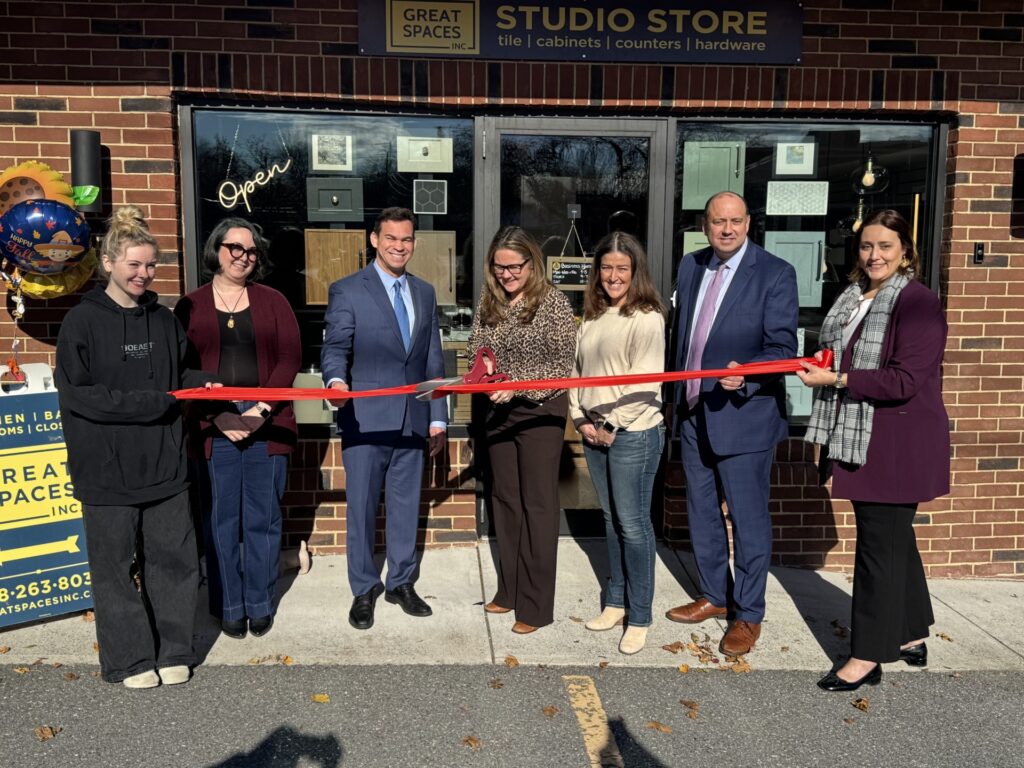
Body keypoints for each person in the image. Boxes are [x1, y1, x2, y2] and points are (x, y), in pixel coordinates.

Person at [55, 206, 215, 689]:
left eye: (151, 266)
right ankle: (129, 659)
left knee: (174, 561)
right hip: (105, 470)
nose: (144, 274)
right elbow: (80, 394)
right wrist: (157, 402)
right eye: (134, 265)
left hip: (164, 464)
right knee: (113, 570)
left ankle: (173, 650)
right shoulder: (81, 323)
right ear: (108, 263)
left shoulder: (164, 320)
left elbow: (181, 374)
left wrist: (209, 386)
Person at [797, 209, 949, 692]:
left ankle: (867, 655)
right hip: (863, 433)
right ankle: (906, 636)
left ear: (905, 249)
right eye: (866, 246)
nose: (874, 255)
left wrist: (837, 379)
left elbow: (905, 379)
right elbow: (844, 352)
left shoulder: (919, 302)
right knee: (895, 542)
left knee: (878, 550)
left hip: (896, 443)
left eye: (885, 245)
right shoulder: (854, 297)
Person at [665, 191, 799, 657]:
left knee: (747, 520)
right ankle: (715, 596)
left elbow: (783, 349)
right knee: (701, 512)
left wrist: (748, 371)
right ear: (705, 225)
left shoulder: (775, 273)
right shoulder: (691, 265)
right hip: (694, 412)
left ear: (748, 223)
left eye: (735, 221)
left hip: (744, 417)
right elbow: (682, 336)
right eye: (718, 221)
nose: (727, 229)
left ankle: (748, 614)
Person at [175, 218, 301, 640]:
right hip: (213, 426)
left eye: (250, 251)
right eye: (234, 248)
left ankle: (260, 602)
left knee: (263, 519)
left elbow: (289, 358)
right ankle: (229, 605)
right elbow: (183, 370)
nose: (242, 257)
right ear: (217, 249)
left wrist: (260, 409)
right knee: (220, 520)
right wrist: (220, 416)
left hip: (267, 419)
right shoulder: (189, 306)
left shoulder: (274, 302)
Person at [321, 207, 447, 630]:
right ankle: (363, 588)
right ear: (374, 239)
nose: (399, 246)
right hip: (365, 420)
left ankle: (400, 582)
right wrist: (335, 382)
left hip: (412, 419)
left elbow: (431, 358)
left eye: (407, 239)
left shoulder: (425, 293)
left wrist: (439, 419)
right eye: (391, 238)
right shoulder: (347, 290)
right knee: (361, 509)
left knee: (406, 506)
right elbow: (336, 347)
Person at [467, 226, 577, 634]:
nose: (507, 275)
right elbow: (475, 346)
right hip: (497, 411)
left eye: (514, 266)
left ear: (532, 262)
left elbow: (561, 366)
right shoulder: (489, 301)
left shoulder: (554, 304)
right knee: (505, 500)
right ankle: (509, 590)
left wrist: (515, 384)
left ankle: (535, 606)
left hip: (539, 412)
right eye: (499, 268)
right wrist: (488, 369)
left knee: (538, 506)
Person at [569, 231, 666, 655]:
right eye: (606, 268)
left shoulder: (646, 317)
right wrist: (579, 418)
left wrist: (610, 423)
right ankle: (615, 602)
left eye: (621, 269)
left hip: (634, 433)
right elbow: (577, 372)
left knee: (634, 524)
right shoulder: (591, 315)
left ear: (635, 271)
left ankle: (640, 615)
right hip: (594, 431)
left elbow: (645, 381)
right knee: (612, 521)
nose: (613, 276)